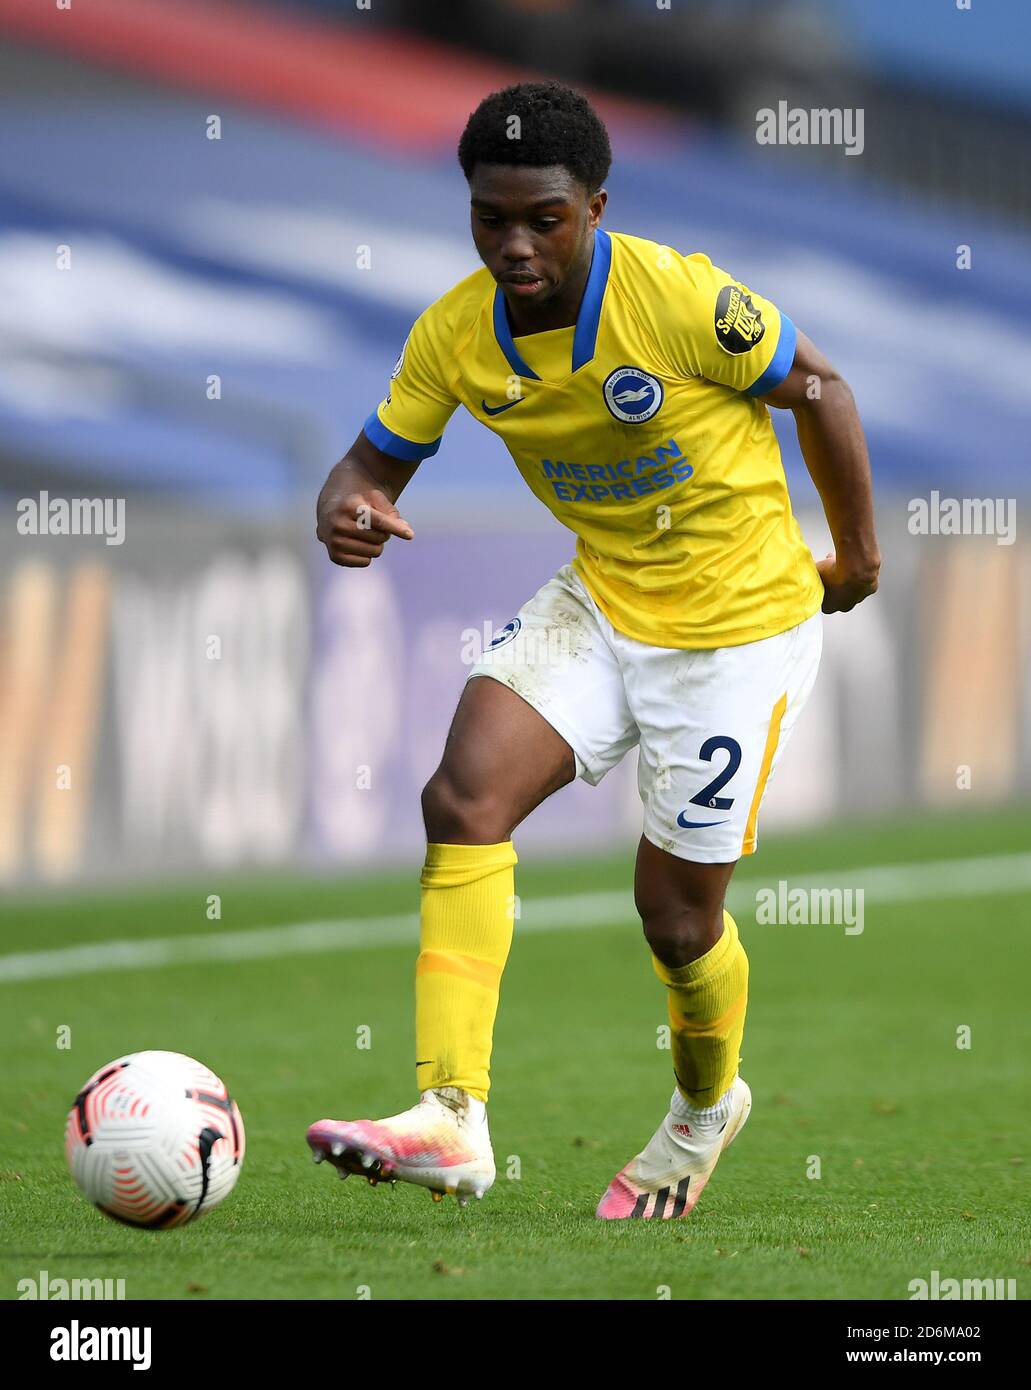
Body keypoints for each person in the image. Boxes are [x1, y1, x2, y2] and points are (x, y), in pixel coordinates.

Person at [308, 81, 879, 1219]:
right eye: (489, 219)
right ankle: (451, 1117)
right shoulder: (455, 334)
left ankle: (702, 1109)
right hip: (605, 597)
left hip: (735, 628)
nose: (512, 245)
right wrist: (347, 507)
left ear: (595, 206)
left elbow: (819, 385)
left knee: (673, 919)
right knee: (462, 796)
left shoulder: (677, 299)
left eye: (542, 220)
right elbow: (370, 464)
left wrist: (854, 557)